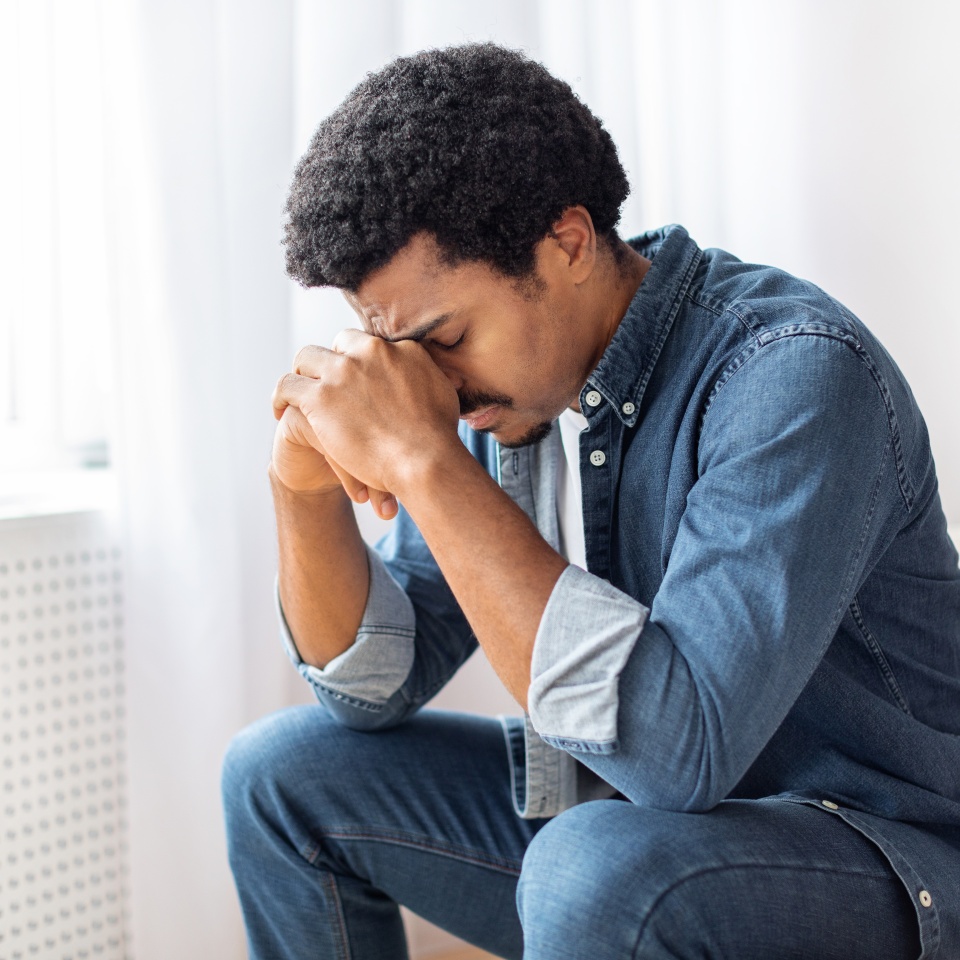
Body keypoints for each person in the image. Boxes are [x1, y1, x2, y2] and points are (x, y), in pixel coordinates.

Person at [221, 42, 960, 960]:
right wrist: (300, 490)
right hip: (635, 838)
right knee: (280, 777)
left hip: (887, 854)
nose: (435, 390)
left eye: (445, 336)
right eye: (408, 353)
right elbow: (375, 691)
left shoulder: (793, 375)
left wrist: (424, 463)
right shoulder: (505, 397)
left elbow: (673, 752)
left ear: (567, 241)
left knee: (593, 863)